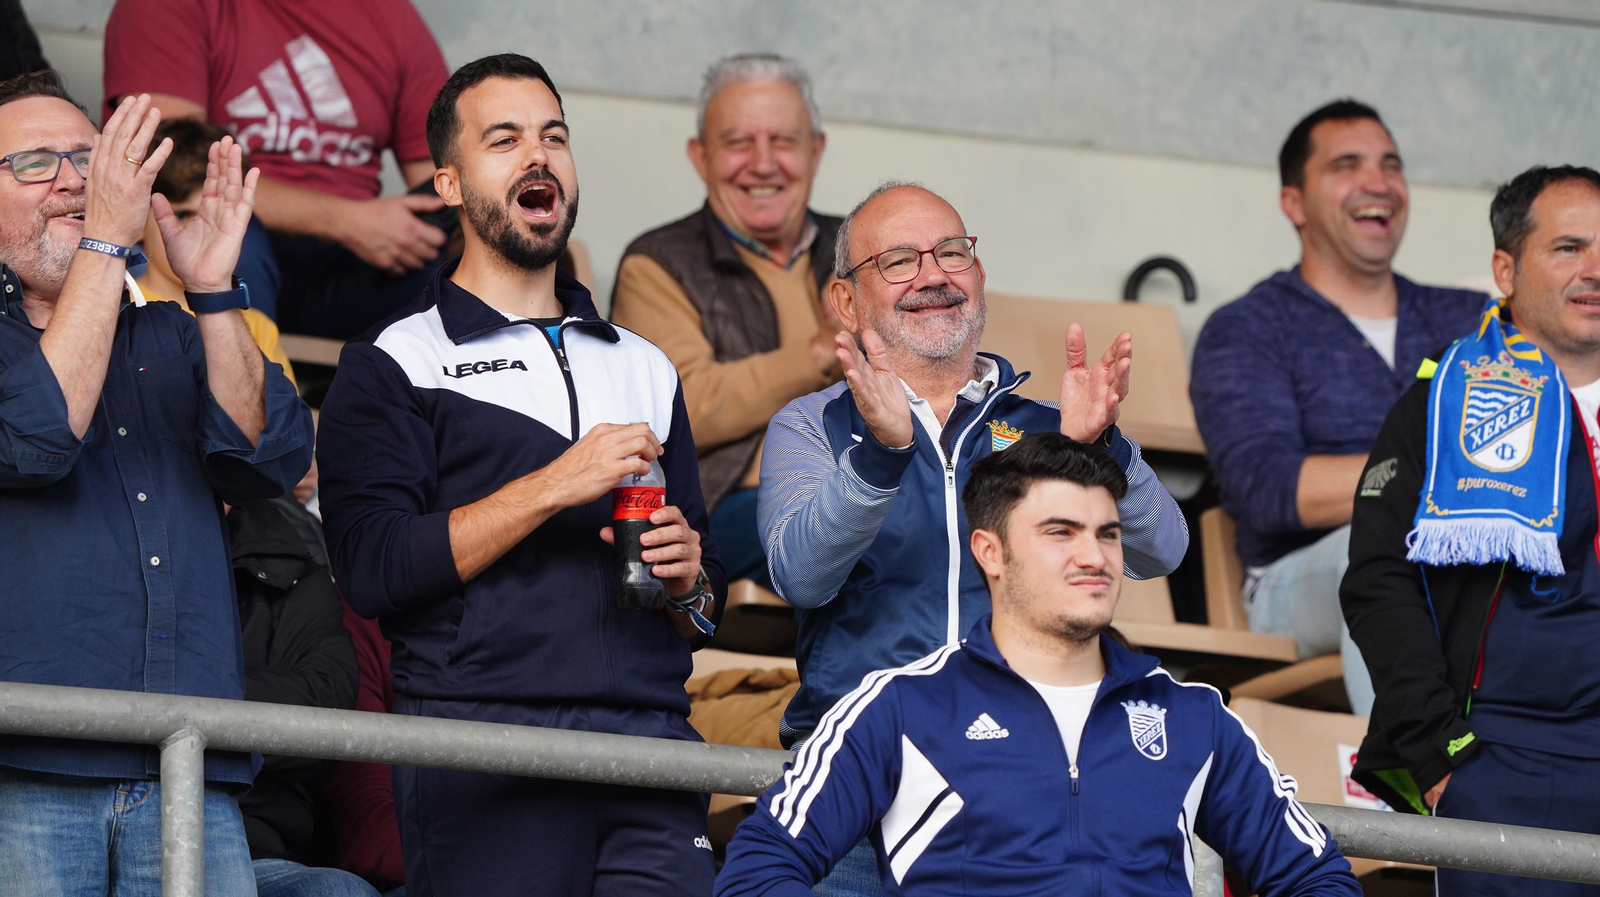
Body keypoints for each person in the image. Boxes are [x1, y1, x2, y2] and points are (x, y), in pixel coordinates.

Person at [316, 54, 725, 897]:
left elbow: (700, 601)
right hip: (483, 744)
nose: (538, 155)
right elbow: (373, 569)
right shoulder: (395, 360)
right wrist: (551, 484)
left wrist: (691, 582)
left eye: (554, 137)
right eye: (504, 140)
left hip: (649, 748)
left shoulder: (646, 364)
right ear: (449, 183)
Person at [758, 181, 1188, 895]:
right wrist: (878, 458)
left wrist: (1098, 449)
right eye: (899, 260)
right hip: (858, 788)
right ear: (846, 300)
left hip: (1025, 788)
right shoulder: (813, 424)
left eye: (951, 253)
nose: (933, 275)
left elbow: (1160, 548)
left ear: (979, 275)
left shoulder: (1053, 423)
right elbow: (801, 573)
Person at [719, 433, 1359, 896]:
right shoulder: (901, 707)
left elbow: (1318, 877)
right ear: (990, 553)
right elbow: (761, 865)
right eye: (1060, 532)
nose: (1095, 557)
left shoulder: (1193, 716)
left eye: (1107, 534)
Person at [0, 73, 312, 893]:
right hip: (23, 762)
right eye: (34, 162)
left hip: (189, 760)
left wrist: (212, 291)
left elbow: (269, 458)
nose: (74, 180)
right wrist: (106, 245)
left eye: (88, 157)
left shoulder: (175, 330)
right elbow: (36, 439)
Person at [1344, 165, 1600, 895]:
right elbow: (1379, 582)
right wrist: (1441, 755)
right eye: (1570, 248)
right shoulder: (1439, 401)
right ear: (1505, 270)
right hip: (1507, 762)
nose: (1596, 270)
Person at [1190, 99, 1484, 716]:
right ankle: (1411, 770)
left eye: (1391, 165)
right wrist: (1440, 475)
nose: (1379, 182)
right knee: (1389, 548)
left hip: (1465, 554)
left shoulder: (1470, 318)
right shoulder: (1247, 326)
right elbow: (1267, 488)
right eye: (1347, 165)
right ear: (1294, 203)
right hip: (1294, 578)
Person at [611, 53, 842, 591]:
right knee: (888, 539)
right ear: (701, 156)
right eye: (738, 142)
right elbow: (682, 407)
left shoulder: (863, 246)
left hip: (872, 483)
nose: (763, 164)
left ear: (815, 150)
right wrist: (820, 352)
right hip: (729, 505)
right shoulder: (658, 262)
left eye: (783, 141)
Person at [102, 0, 453, 336]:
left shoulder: (392, 15)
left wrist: (437, 227)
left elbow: (440, 176)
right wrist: (348, 222)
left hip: (359, 262)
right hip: (244, 239)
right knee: (226, 239)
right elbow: (171, 163)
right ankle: (236, 376)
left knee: (458, 263)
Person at [229, 496, 374, 897]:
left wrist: (174, 693)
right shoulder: (101, 558)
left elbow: (328, 705)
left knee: (340, 892)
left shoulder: (289, 562)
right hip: (109, 829)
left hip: (257, 843)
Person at [138, 118, 295, 384]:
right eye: (182, 214)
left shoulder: (257, 327)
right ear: (138, 220)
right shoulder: (111, 311)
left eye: (218, 216)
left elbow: (281, 411)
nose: (202, 232)